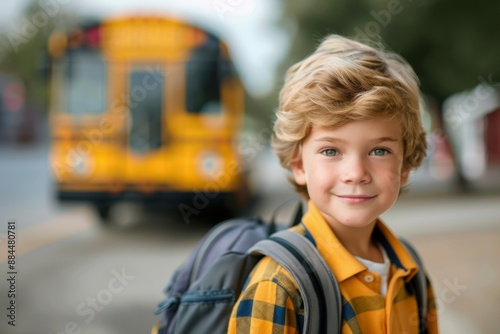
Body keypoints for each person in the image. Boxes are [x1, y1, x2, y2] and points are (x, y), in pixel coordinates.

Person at [228, 34, 439, 333]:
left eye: (379, 151)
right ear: (300, 166)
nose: (355, 173)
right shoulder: (279, 284)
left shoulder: (411, 271)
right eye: (331, 151)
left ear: (404, 166)